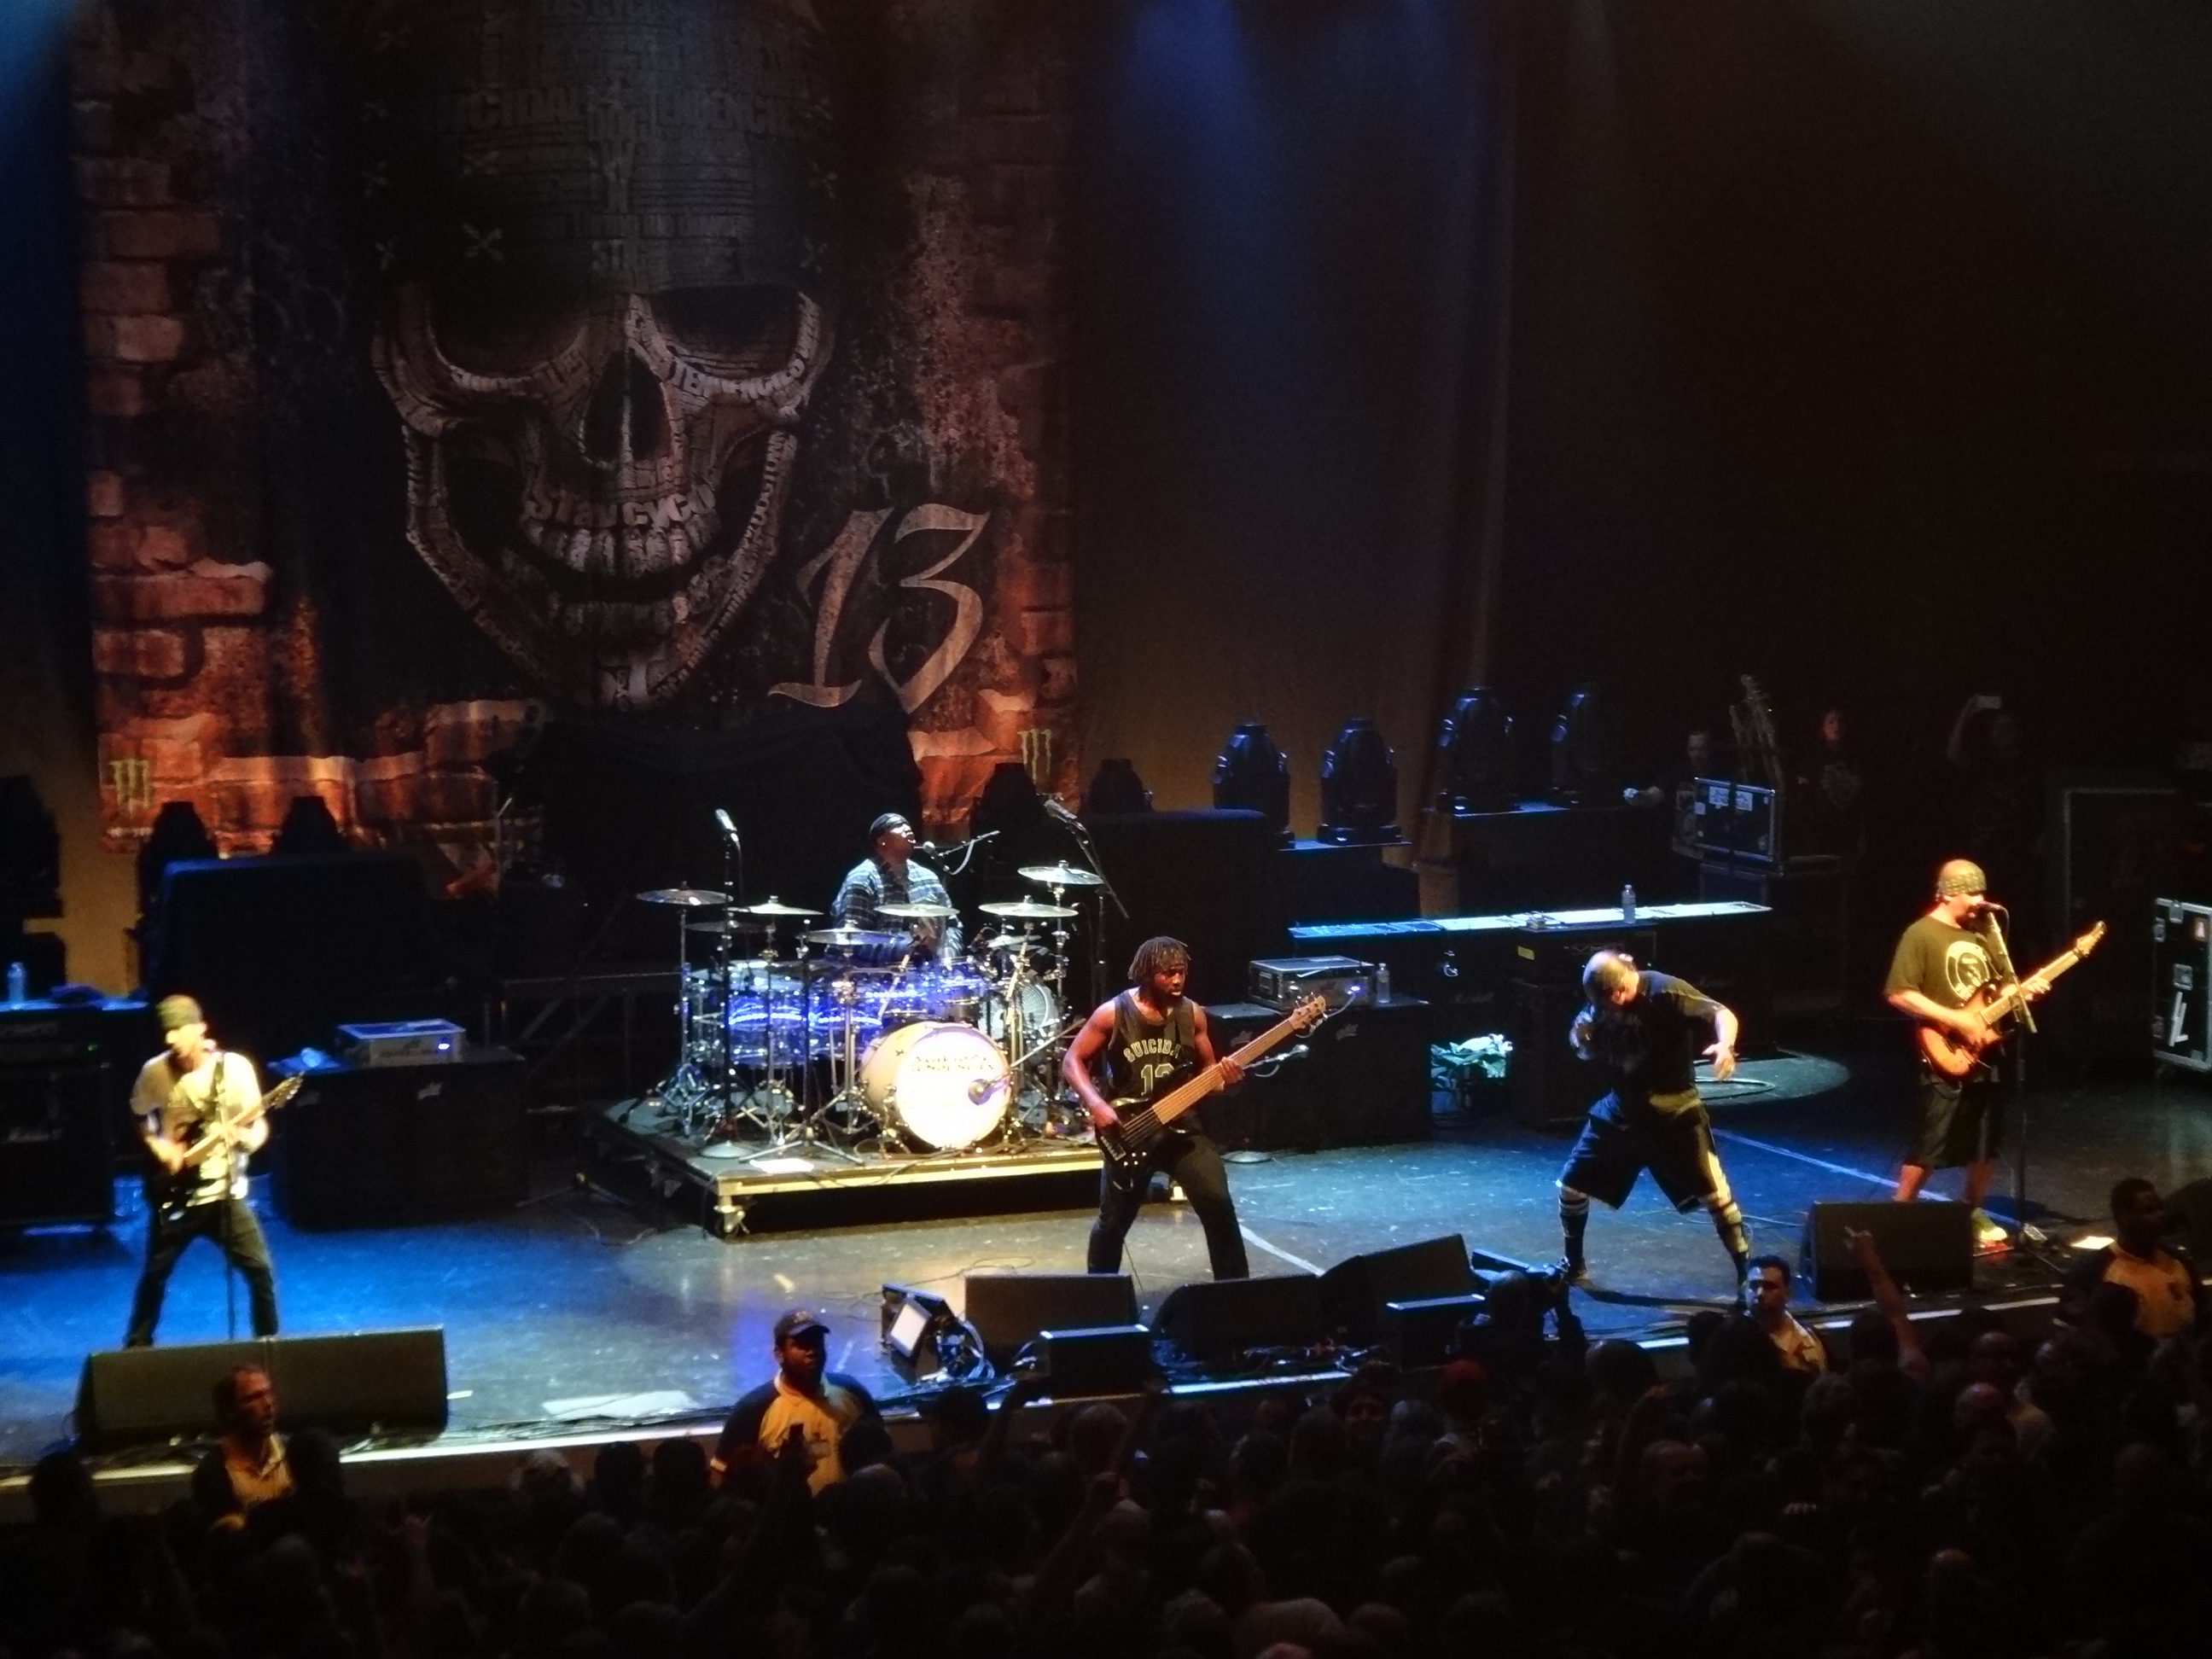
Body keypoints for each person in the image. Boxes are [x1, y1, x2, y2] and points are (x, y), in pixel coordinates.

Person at [1555, 950, 1749, 1289]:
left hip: (1675, 1112)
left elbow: (1722, 1013)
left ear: (1621, 988)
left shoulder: (1665, 991)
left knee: (1716, 1196)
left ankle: (1747, 1272)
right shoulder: (1600, 1003)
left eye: (1613, 999)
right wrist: (1581, 1037)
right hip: (1623, 1110)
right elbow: (1584, 1050)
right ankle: (1573, 1264)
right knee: (1571, 1187)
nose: (1611, 1007)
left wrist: (1724, 1045)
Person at [1062, 936, 1250, 1280]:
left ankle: (1235, 1294)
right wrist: (1096, 1104)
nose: (1177, 980)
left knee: (1219, 1207)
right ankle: (1099, 1297)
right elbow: (1072, 1060)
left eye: (1182, 973)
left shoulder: (1192, 1014)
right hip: (1130, 1132)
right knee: (1112, 1224)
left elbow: (1209, 1072)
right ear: (1147, 974)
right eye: (1168, 974)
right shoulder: (1113, 1013)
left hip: (1183, 1131)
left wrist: (1226, 1078)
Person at [125, 995, 279, 1346]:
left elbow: (258, 1124)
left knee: (260, 1271)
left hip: (224, 1193)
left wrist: (246, 1141)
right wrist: (161, 1148)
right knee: (155, 1274)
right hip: (176, 1194)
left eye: (178, 1030)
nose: (171, 1039)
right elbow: (139, 1115)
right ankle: (135, 1351)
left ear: (200, 1028)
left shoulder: (235, 1070)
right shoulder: (154, 1072)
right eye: (166, 1032)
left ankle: (269, 1349)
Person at [1883, 859, 2011, 1247]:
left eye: (1982, 892)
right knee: (1931, 1142)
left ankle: (1971, 1211)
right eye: (1972, 893)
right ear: (1949, 894)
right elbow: (1899, 993)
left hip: (1986, 1050)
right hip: (1945, 1049)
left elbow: (2000, 989)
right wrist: (1956, 1020)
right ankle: (1898, 1215)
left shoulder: (1985, 933)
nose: (1980, 901)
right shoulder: (1921, 934)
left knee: (1985, 1142)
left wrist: (2020, 994)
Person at [711, 1309, 880, 1493]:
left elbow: (882, 1454)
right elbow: (723, 1476)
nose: (812, 1351)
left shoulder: (852, 1393)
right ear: (779, 1353)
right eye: (802, 1344)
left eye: (817, 1342)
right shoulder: (752, 1410)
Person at [2064, 1178, 2206, 1342]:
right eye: (2149, 1211)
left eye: (2160, 1208)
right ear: (2124, 1217)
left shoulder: (2179, 1262)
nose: (2161, 1215)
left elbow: (2202, 1318)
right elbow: (2070, 1330)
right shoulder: (2092, 1270)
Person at [831, 812, 963, 964]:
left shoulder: (928, 878)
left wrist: (947, 956)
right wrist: (909, 948)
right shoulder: (863, 879)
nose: (907, 828)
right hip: (870, 971)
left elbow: (952, 926)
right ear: (881, 840)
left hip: (923, 969)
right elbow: (851, 939)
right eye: (897, 825)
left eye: (907, 824)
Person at [195, 1365, 294, 1515]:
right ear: (230, 1410)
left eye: (269, 1393)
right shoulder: (213, 1471)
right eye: (254, 1398)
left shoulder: (293, 1452)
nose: (268, 1404)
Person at [1745, 1255, 1828, 1375]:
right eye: (1754, 1286)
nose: (1760, 1293)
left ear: (1787, 1293)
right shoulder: (1729, 1338)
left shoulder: (1808, 1343)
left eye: (1770, 1287)